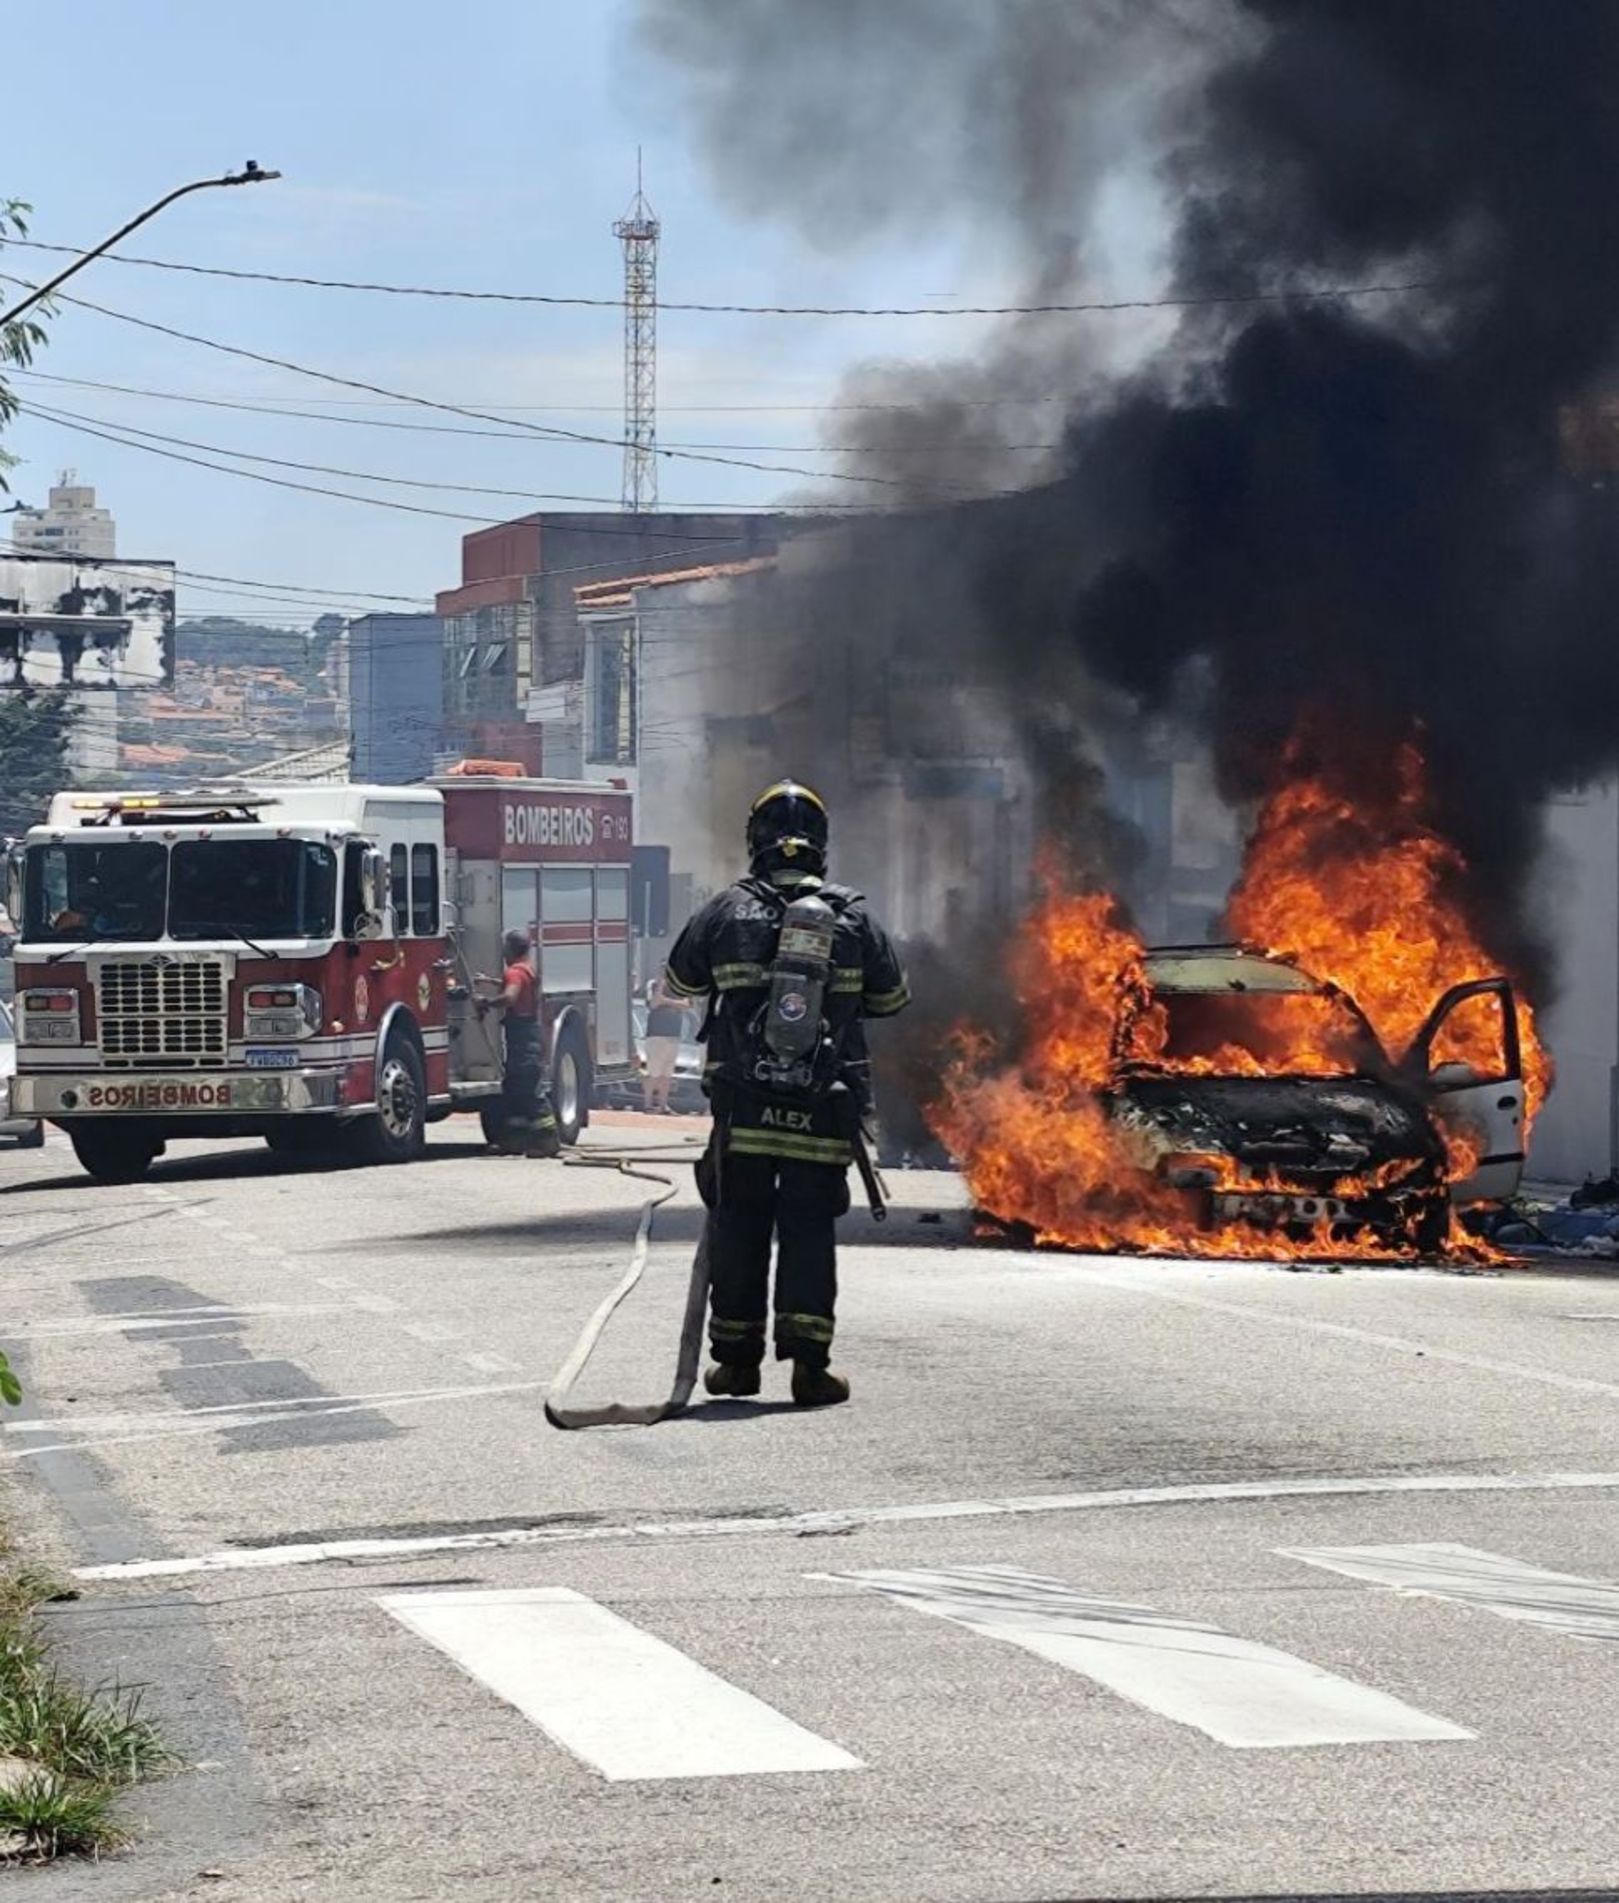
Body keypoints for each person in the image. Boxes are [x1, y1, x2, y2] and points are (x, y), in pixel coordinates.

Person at [663, 779, 909, 1408]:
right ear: (820, 846)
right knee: (807, 1232)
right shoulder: (852, 915)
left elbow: (679, 978)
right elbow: (889, 1000)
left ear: (756, 843)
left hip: (743, 1112)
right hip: (824, 1112)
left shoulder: (725, 910)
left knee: (738, 1227)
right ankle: (808, 1367)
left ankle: (737, 1366)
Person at [476, 930, 561, 1157]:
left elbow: (511, 997)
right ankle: (515, 1141)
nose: (502, 952)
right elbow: (517, 988)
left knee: (528, 1091)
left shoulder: (514, 972)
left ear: (511, 949)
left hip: (522, 1040)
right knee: (513, 1089)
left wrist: (486, 1003)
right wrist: (491, 982)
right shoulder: (528, 970)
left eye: (504, 947)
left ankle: (548, 1140)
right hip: (528, 1036)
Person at [642, 976, 686, 1114]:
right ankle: (647, 1104)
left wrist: (666, 1001)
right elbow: (653, 1004)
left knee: (667, 1074)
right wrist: (661, 984)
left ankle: (663, 1105)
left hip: (673, 1035)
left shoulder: (681, 986)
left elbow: (686, 1004)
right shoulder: (653, 984)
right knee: (653, 1072)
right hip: (656, 1035)